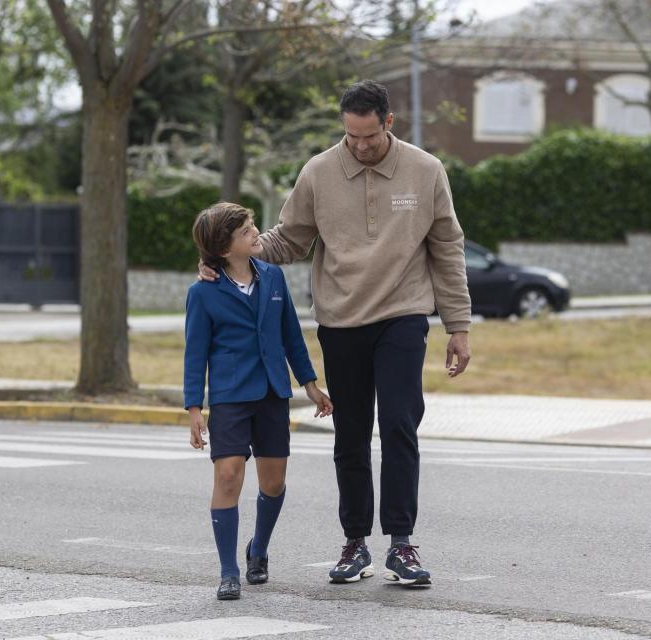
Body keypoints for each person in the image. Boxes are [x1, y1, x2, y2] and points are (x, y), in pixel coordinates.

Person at [199, 80, 472, 588]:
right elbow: (288, 241)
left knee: (398, 424)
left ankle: (401, 543)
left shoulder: (426, 170)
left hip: (403, 314)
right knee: (349, 436)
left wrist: (458, 325)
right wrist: (224, 254)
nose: (360, 147)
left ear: (388, 123)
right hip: (341, 320)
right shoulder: (319, 173)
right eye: (351, 136)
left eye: (369, 137)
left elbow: (447, 249)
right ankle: (354, 543)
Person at [184, 202, 333, 600]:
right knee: (228, 476)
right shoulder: (202, 292)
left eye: (252, 226)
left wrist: (310, 383)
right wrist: (194, 409)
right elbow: (194, 353)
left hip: (272, 393)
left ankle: (259, 550)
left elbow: (290, 337)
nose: (256, 233)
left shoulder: (274, 278)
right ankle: (228, 571)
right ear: (224, 246)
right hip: (231, 396)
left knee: (274, 481)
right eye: (246, 230)